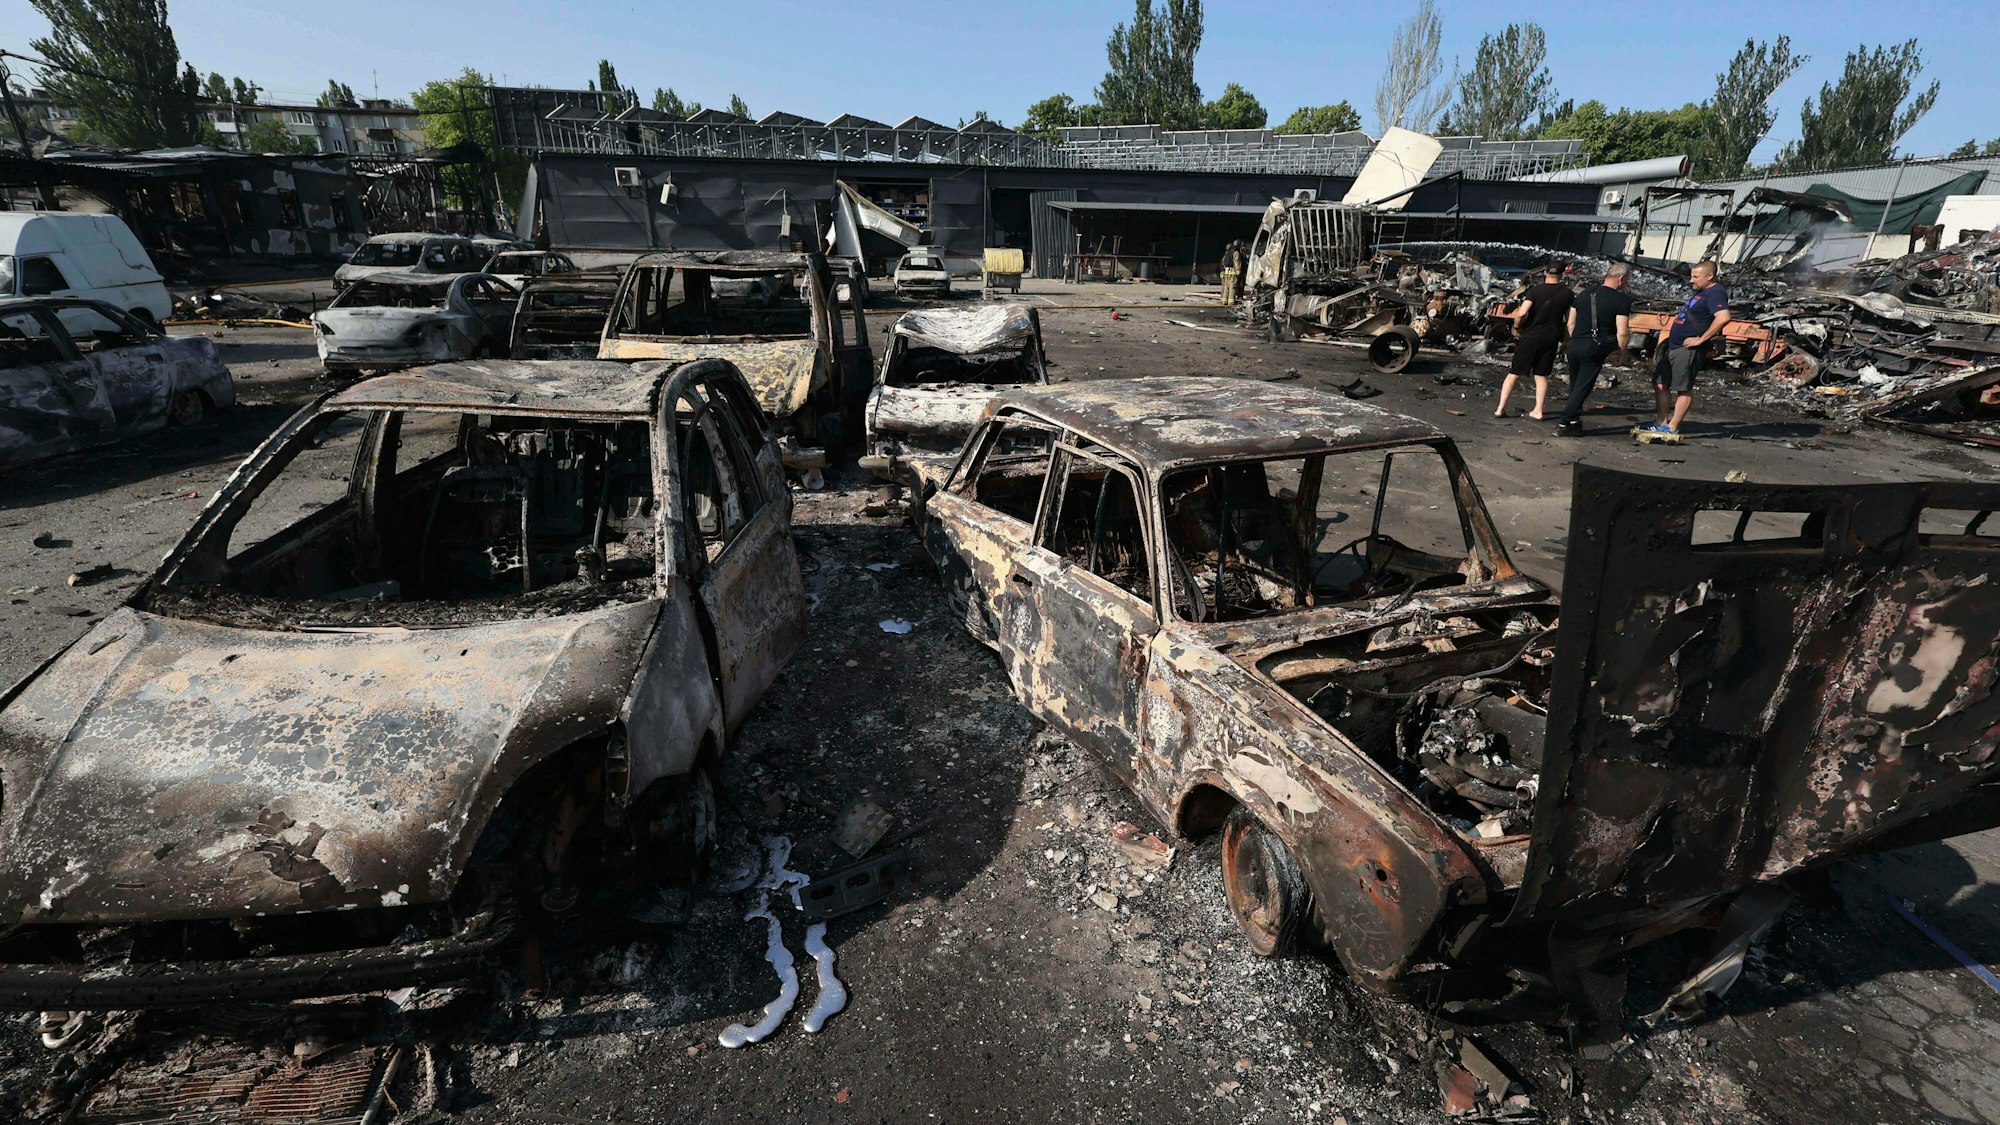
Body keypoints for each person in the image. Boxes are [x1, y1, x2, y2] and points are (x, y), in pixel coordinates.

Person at [1643, 260, 1730, 438]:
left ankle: (1672, 427)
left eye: (1696, 277)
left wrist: (1702, 339)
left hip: (1687, 350)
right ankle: (1661, 422)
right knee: (1660, 383)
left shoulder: (1716, 293)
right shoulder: (1703, 292)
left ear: (1710, 276)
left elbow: (1723, 317)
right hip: (1674, 346)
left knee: (1683, 388)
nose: (1691, 280)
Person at [1554, 262, 1634, 436]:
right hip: (1594, 348)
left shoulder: (1584, 294)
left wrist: (1577, 338)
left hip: (1575, 345)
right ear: (1621, 279)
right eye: (1627, 279)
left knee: (1575, 385)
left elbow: (1570, 322)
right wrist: (1622, 352)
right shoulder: (1621, 300)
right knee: (1583, 387)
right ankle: (1564, 423)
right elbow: (1622, 331)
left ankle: (1574, 422)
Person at [1495, 265, 1573, 419]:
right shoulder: (1567, 293)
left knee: (1514, 374)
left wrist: (1516, 326)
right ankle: (1538, 410)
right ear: (1562, 275)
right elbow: (1570, 321)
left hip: (1530, 336)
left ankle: (1500, 408)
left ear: (1545, 273)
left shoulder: (1535, 290)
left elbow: (1522, 312)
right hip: (1551, 338)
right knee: (1541, 375)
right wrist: (1566, 340)